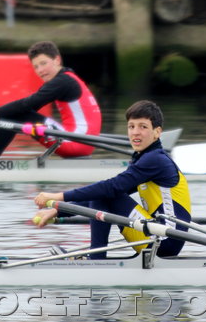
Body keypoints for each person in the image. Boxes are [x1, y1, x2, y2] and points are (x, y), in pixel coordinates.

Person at [33, 100, 191, 259]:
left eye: (143, 127)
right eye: (131, 126)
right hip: (155, 234)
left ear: (157, 132)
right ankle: (96, 259)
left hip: (165, 240)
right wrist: (56, 211)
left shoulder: (155, 160)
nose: (135, 132)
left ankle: (96, 260)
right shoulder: (145, 158)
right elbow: (108, 192)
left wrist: (57, 197)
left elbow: (111, 188)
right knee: (104, 194)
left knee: (106, 192)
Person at [0, 41, 102, 159]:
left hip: (73, 142)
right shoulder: (67, 78)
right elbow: (25, 113)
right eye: (36, 67)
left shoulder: (62, 82)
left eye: (43, 63)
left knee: (18, 112)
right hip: (80, 141)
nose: (40, 70)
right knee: (17, 114)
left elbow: (25, 106)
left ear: (57, 60)